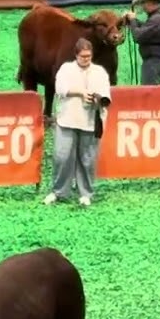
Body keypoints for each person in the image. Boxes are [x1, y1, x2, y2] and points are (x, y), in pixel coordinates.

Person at [44, 38, 111, 207]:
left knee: (87, 159)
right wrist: (80, 93)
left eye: (88, 56)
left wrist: (97, 100)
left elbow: (105, 96)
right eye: (83, 56)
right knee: (62, 156)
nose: (86, 59)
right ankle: (59, 191)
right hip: (67, 119)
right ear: (76, 55)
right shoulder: (66, 69)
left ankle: (85, 193)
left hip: (89, 122)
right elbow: (60, 89)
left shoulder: (99, 72)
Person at [123, 0, 160, 85]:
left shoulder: (157, 19)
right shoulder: (158, 17)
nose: (142, 6)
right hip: (156, 60)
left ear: (149, 3)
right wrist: (134, 21)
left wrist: (133, 20)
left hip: (154, 61)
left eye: (143, 3)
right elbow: (146, 28)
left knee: (148, 93)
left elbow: (138, 36)